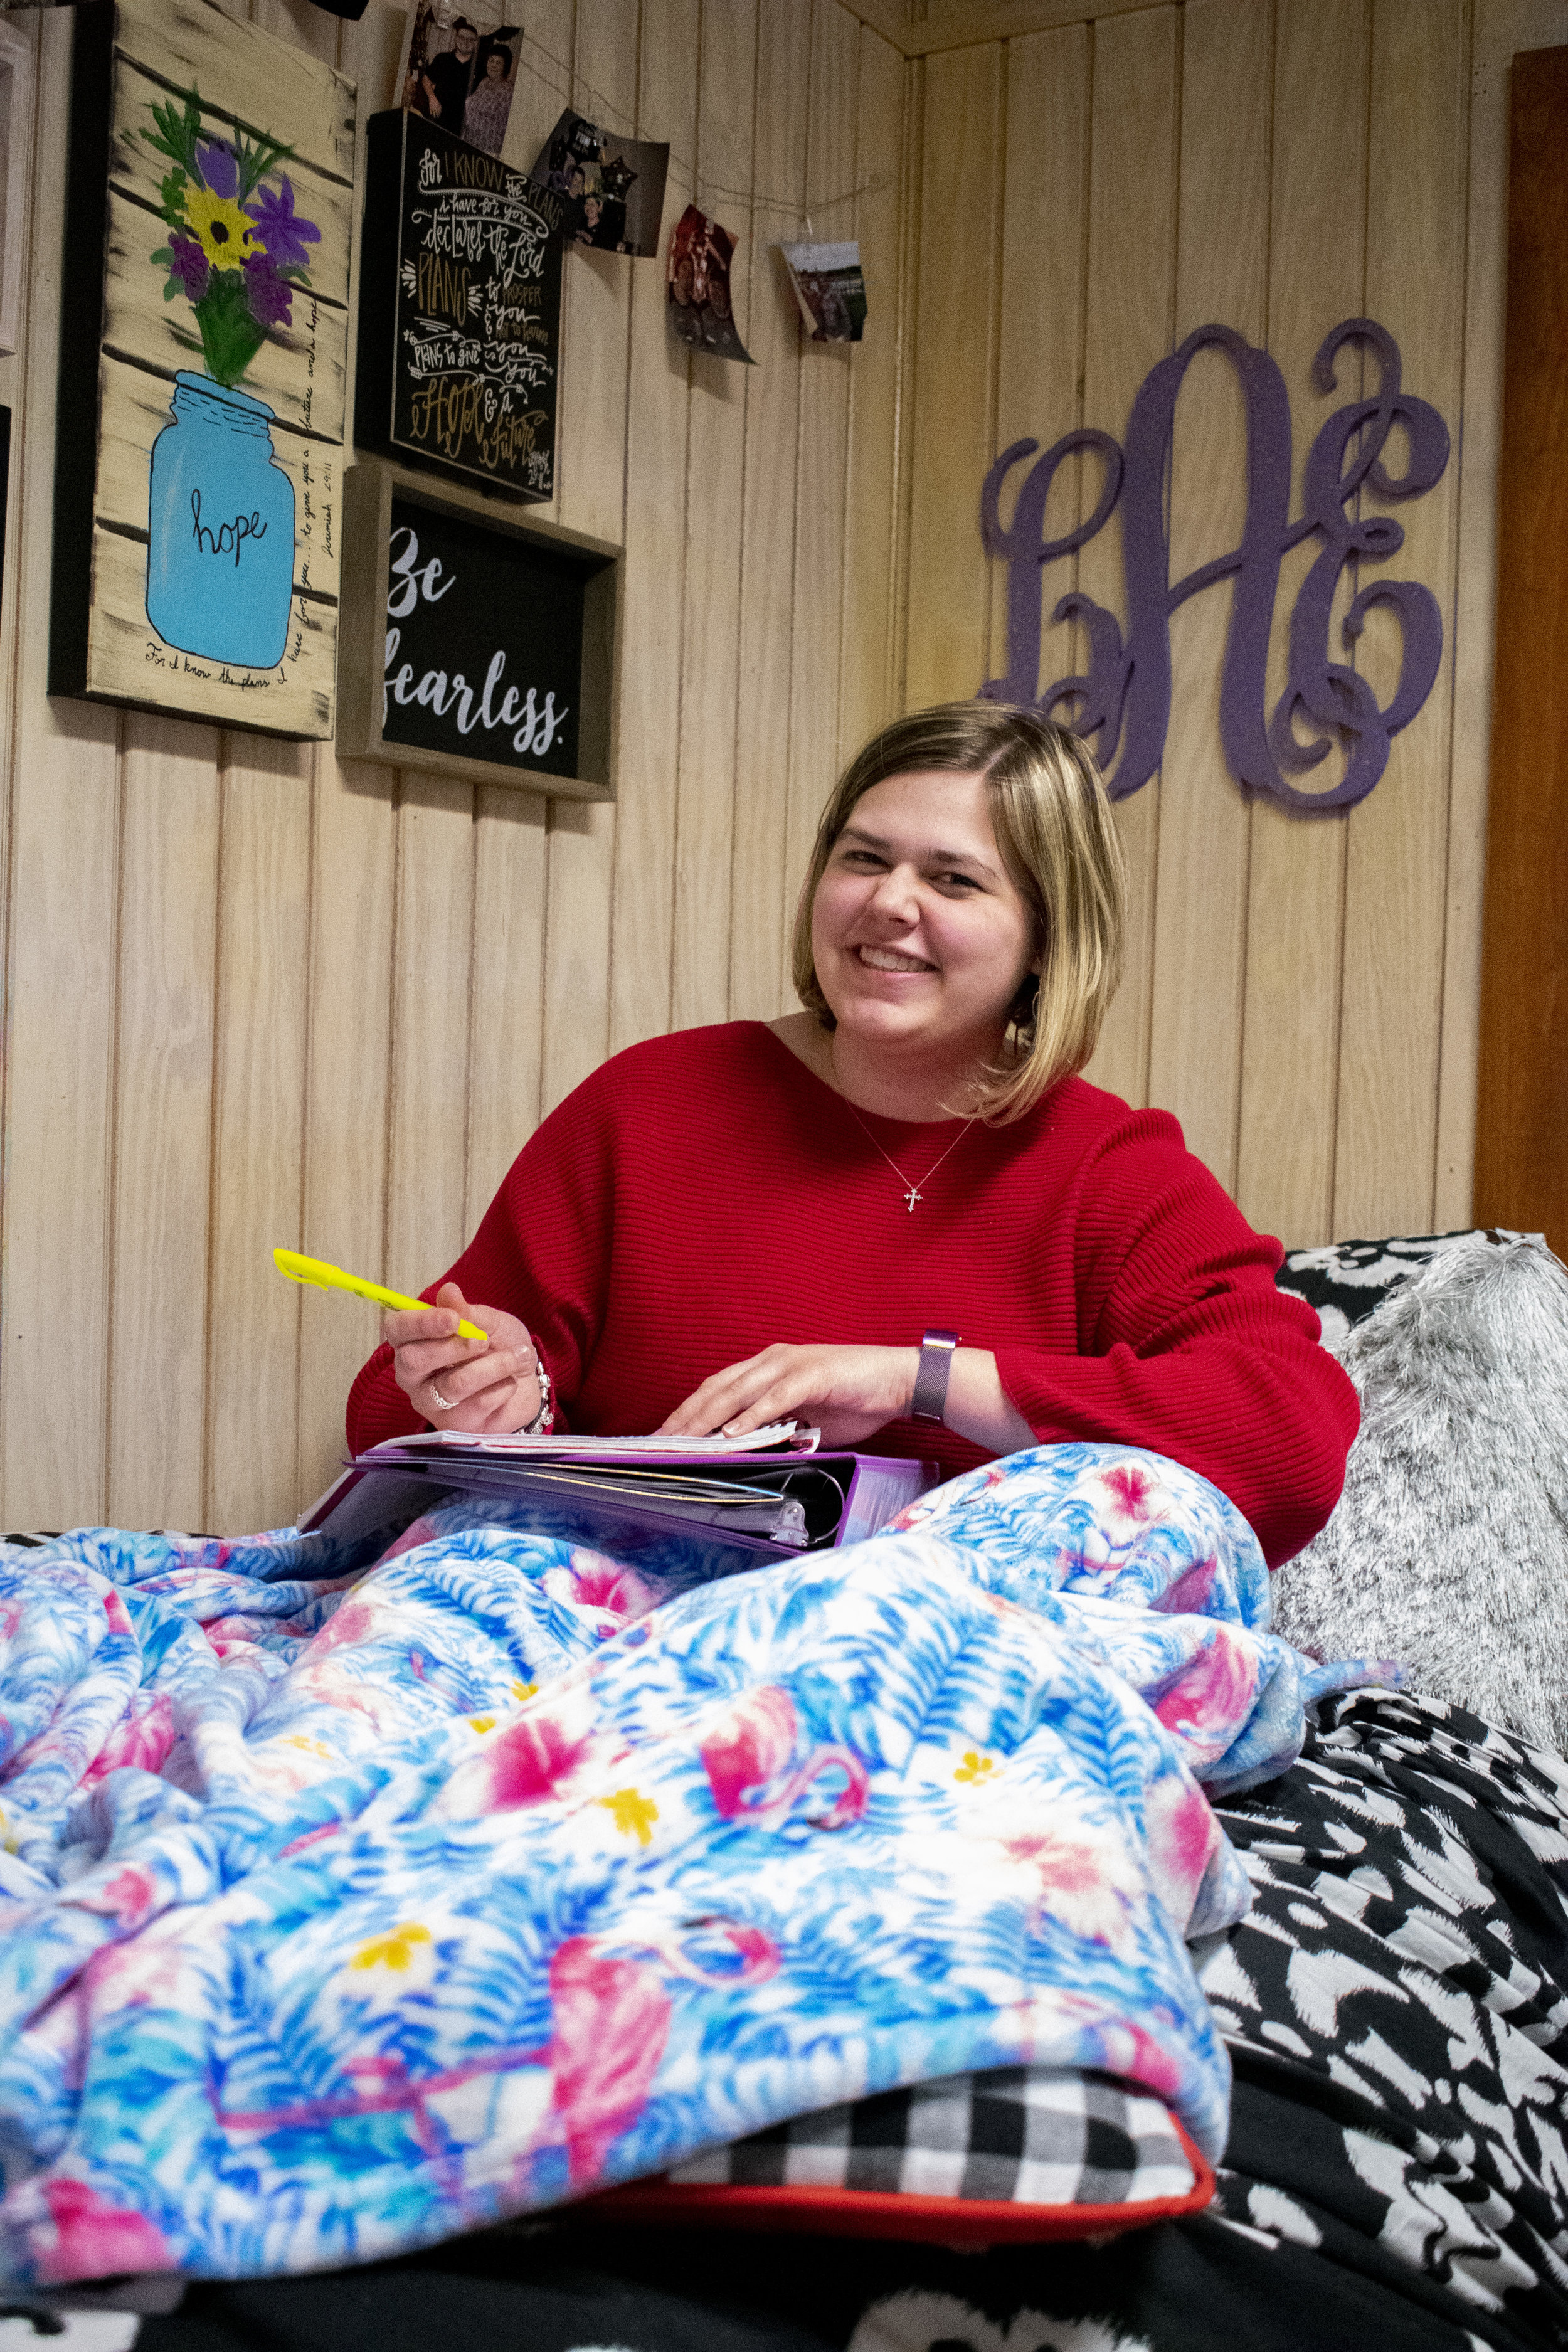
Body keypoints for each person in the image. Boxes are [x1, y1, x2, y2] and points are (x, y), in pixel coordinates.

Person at [349, 702, 1358, 1567]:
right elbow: (388, 1428)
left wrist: (912, 1377)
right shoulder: (647, 1103)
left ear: (1047, 936)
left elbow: (1288, 1440)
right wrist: (492, 1403)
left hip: (937, 1675)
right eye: (863, 859)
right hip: (619, 1633)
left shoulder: (1113, 1169)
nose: (888, 903)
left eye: (954, 880)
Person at [421, 18, 477, 128]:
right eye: (462, 37)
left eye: (470, 39)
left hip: (463, 126)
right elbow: (426, 79)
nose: (465, 42)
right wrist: (432, 97)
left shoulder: (479, 67)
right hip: (437, 119)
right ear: (456, 39)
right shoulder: (443, 58)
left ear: (475, 43)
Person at [462, 44, 514, 156]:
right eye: (491, 61)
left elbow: (511, 128)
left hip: (489, 149)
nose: (494, 65)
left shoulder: (509, 91)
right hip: (469, 140)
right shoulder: (484, 81)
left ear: (505, 67)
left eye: (499, 62)